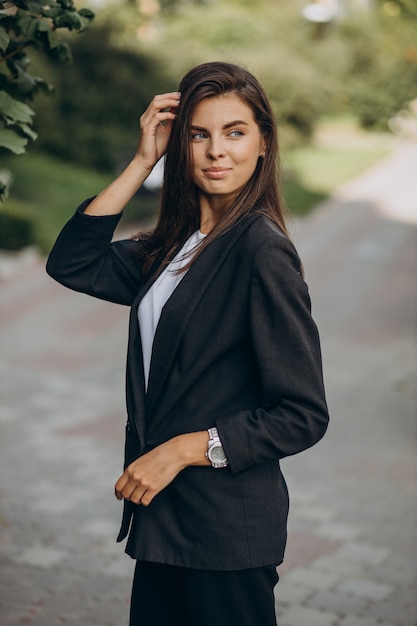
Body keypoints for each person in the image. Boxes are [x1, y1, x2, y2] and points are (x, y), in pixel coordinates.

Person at [46, 61, 329, 626]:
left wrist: (178, 451)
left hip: (225, 534)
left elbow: (302, 414)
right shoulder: (176, 244)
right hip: (165, 523)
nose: (216, 151)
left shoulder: (261, 252)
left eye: (235, 132)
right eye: (198, 134)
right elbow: (73, 263)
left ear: (264, 145)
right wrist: (144, 159)